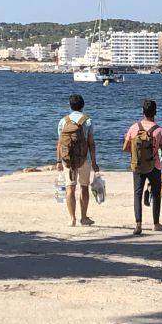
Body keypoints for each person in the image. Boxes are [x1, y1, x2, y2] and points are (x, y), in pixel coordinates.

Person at [122, 99, 162, 235]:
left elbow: (125, 147)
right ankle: (156, 223)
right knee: (156, 194)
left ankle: (138, 224)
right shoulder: (159, 130)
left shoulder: (134, 127)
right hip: (154, 165)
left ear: (142, 112)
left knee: (137, 194)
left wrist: (137, 153)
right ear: (155, 112)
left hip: (137, 165)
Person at [55, 93, 100, 227]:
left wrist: (58, 161)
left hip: (68, 159)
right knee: (84, 188)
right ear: (83, 105)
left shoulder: (63, 121)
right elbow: (91, 143)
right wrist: (94, 162)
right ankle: (84, 217)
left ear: (70, 106)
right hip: (83, 159)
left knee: (70, 188)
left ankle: (72, 219)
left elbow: (60, 143)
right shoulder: (87, 121)